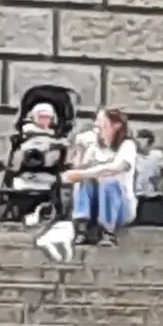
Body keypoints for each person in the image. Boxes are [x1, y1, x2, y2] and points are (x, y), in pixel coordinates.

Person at [42, 107, 137, 263]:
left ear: (116, 125)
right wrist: (80, 149)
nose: (96, 124)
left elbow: (116, 168)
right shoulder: (93, 146)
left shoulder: (127, 146)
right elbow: (77, 171)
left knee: (108, 181)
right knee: (84, 180)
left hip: (120, 207)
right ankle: (82, 226)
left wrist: (82, 174)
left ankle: (108, 232)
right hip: (94, 205)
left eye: (101, 121)